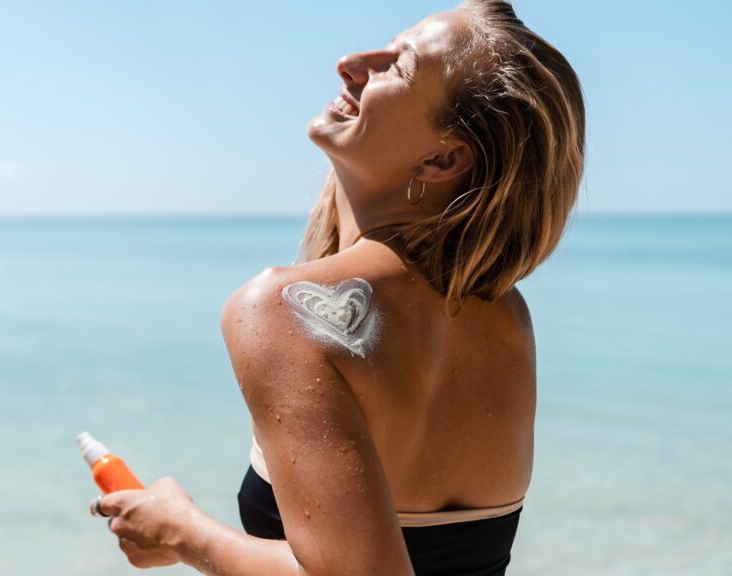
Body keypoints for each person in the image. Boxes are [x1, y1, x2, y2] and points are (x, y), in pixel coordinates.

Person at [92, 1, 585, 574]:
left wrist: (181, 531)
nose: (350, 62)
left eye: (398, 67)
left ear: (443, 156)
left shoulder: (281, 309)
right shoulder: (506, 319)